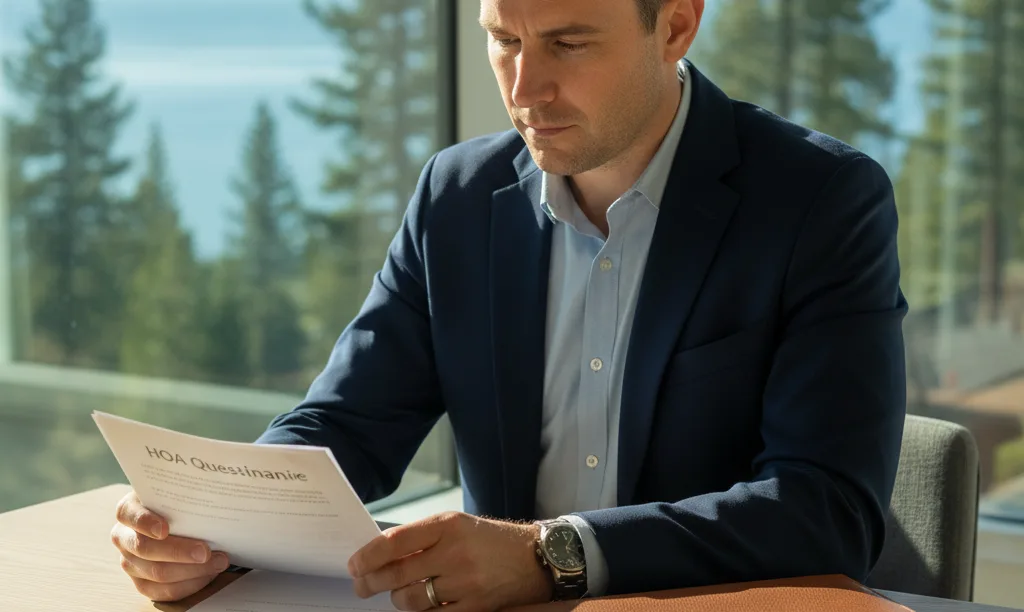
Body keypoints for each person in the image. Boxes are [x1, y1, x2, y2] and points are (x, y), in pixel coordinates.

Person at [110, 0, 908, 609]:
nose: (526, 89)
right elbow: (350, 423)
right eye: (504, 40)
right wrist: (217, 523)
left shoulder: (819, 200)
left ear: (675, 24)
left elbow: (827, 509)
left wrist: (549, 554)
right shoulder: (457, 196)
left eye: (567, 42)